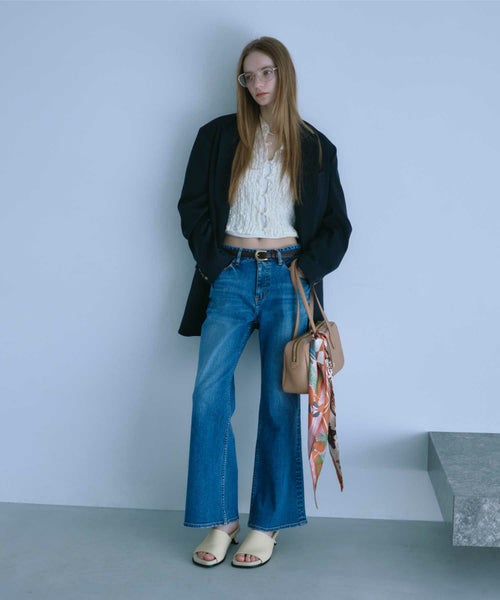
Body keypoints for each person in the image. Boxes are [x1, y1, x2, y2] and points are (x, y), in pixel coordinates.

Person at [178, 36, 352, 568]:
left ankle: (267, 524)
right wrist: (215, 264)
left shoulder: (315, 146)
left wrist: (306, 269)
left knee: (280, 402)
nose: (257, 83)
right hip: (229, 276)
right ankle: (220, 520)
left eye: (267, 72)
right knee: (209, 396)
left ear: (284, 75)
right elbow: (191, 205)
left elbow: (337, 226)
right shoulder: (215, 136)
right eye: (248, 75)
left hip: (287, 279)